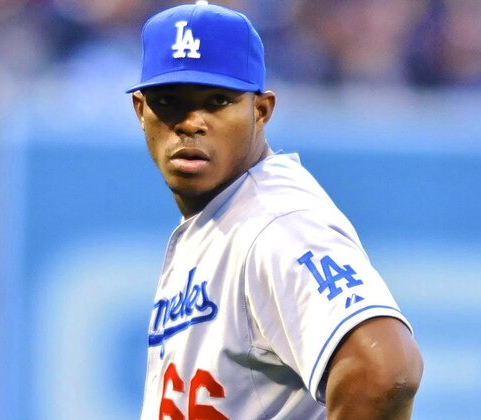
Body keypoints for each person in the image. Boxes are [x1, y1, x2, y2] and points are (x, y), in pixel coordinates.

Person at [127, 1, 423, 419]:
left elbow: (385, 371)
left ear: (261, 111)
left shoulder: (276, 221)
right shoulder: (223, 215)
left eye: (216, 100)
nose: (190, 123)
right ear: (141, 110)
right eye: (169, 101)